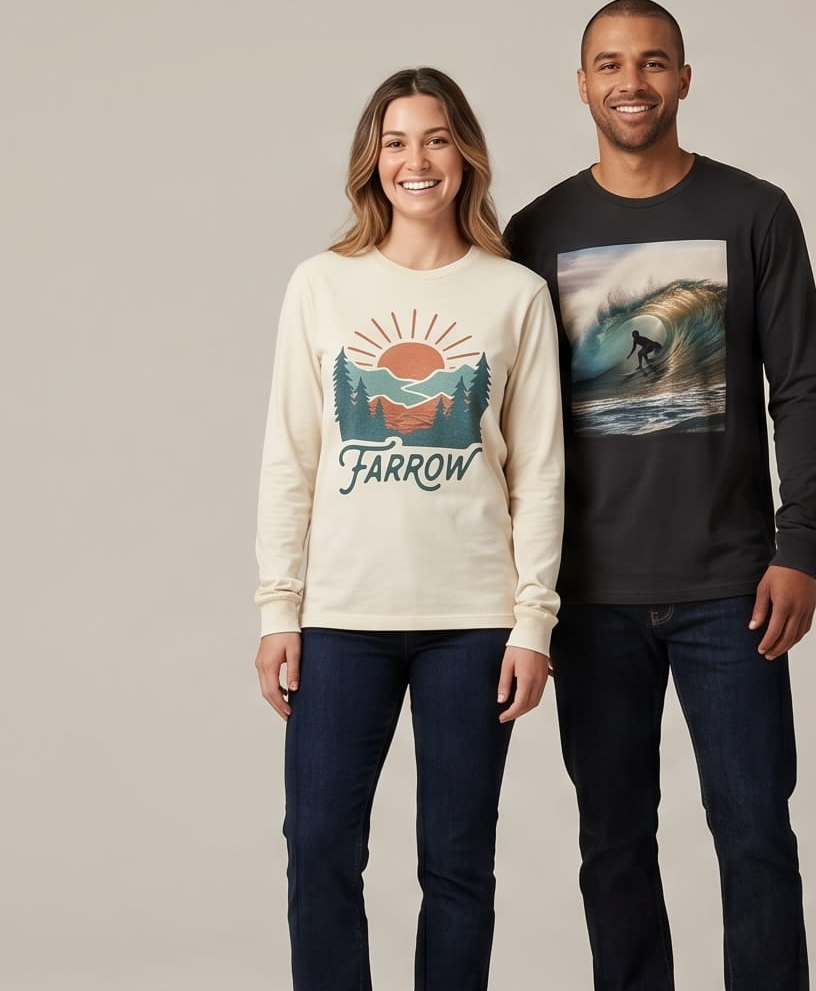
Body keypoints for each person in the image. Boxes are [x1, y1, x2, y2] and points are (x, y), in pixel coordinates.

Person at [502, 0, 816, 991]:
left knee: (752, 833)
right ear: (580, 84)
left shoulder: (751, 212)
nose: (629, 82)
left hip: (729, 589)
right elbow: (514, 427)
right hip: (588, 598)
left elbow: (801, 384)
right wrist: (524, 597)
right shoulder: (538, 231)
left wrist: (797, 546)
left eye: (650, 63)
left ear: (683, 78)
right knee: (610, 840)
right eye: (608, 64)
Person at [252, 67, 566, 990]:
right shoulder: (320, 285)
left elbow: (539, 471)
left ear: (463, 156)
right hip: (343, 620)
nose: (414, 160)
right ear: (370, 161)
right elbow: (289, 457)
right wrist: (279, 609)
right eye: (395, 142)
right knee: (317, 849)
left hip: (472, 623)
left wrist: (532, 622)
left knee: (458, 864)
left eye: (433, 139)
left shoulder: (513, 294)